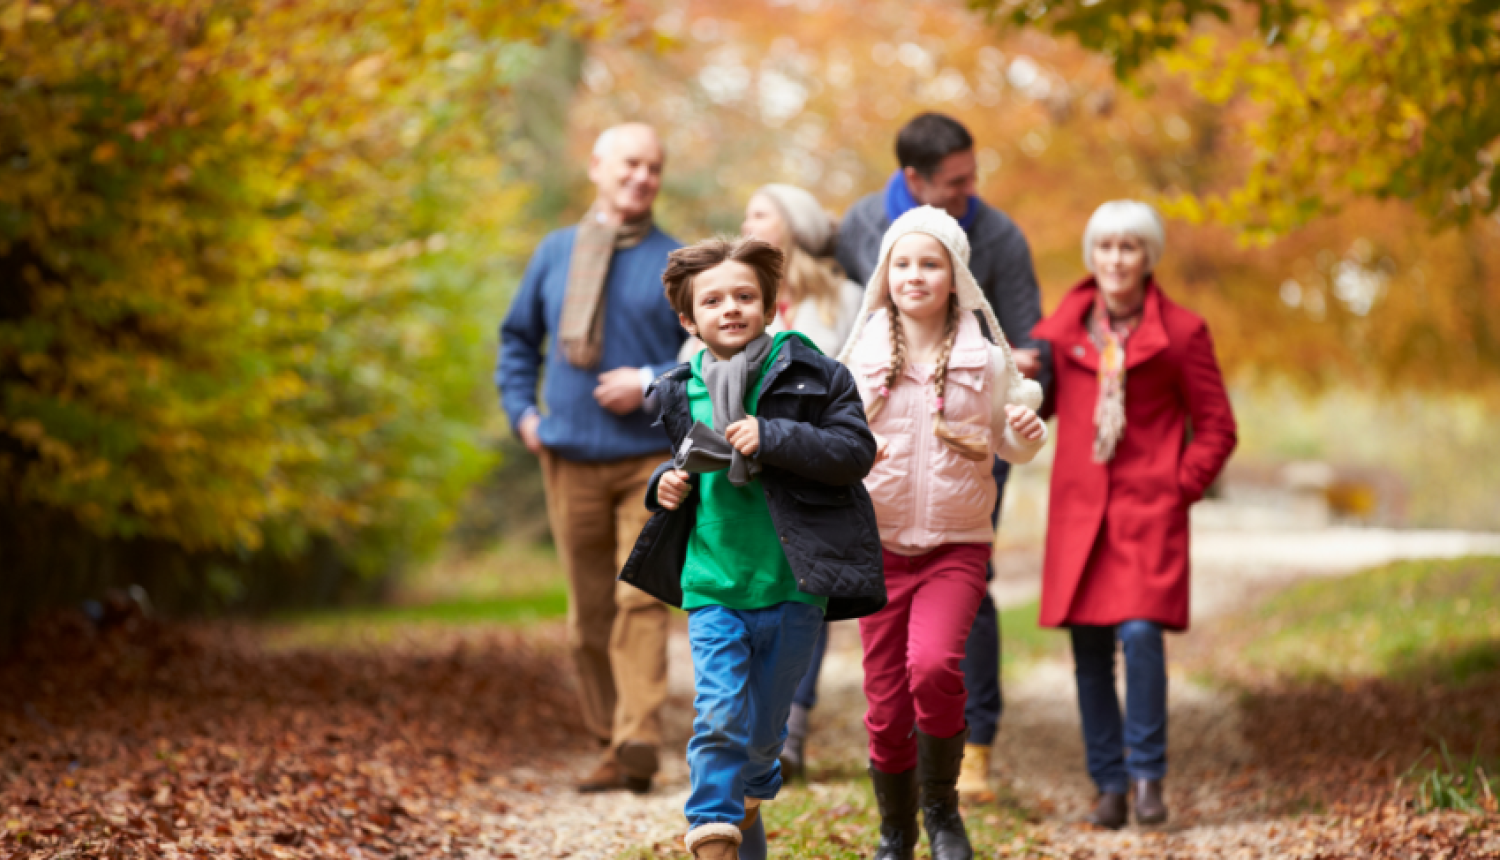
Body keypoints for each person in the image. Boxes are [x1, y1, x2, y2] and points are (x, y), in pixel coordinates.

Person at [619, 236, 886, 860]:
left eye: (745, 296)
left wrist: (773, 435)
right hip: (713, 581)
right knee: (718, 718)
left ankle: (749, 795)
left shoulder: (815, 374)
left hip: (792, 585)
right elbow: (677, 465)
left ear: (770, 306)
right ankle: (712, 834)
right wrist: (665, 485)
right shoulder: (678, 390)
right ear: (689, 319)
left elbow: (854, 453)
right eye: (712, 300)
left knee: (763, 736)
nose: (730, 308)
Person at [835, 111, 1049, 797]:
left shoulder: (997, 235)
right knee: (885, 682)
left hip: (966, 444)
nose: (970, 189)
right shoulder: (863, 226)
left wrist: (1018, 392)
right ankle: (897, 817)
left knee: (950, 631)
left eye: (972, 175)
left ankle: (974, 746)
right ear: (914, 179)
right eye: (956, 181)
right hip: (881, 511)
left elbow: (1025, 337)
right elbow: (840, 315)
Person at [1030, 200, 1237, 829]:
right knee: (1089, 648)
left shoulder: (1182, 333)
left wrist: (1180, 486)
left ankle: (1148, 776)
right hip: (1079, 513)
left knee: (1141, 636)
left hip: (1150, 510)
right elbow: (1036, 411)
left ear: (1149, 258)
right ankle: (1109, 787)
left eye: (1130, 247)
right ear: (1092, 256)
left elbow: (1218, 427)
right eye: (1106, 247)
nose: (1116, 259)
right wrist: (1016, 389)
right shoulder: (1058, 335)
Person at [495, 123, 686, 795]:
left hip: (647, 462)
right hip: (568, 457)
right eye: (632, 163)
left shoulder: (676, 262)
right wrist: (522, 413)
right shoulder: (555, 252)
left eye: (654, 168)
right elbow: (518, 338)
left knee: (641, 599)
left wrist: (648, 380)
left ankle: (639, 738)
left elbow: (705, 355)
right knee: (587, 616)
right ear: (598, 166)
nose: (643, 177)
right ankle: (610, 739)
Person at [738, 183, 865, 780]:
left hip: (815, 474)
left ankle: (792, 730)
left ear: (794, 223)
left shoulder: (845, 301)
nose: (747, 223)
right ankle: (756, 725)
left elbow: (858, 391)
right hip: (748, 481)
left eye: (759, 213)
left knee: (806, 596)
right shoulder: (734, 296)